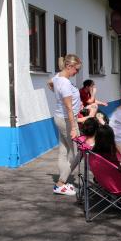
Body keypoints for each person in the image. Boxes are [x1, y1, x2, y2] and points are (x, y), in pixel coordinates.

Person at [51, 54, 82, 196]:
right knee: (79, 152)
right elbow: (69, 108)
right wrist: (74, 128)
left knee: (63, 151)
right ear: (69, 66)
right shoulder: (64, 82)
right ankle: (60, 184)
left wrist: (59, 96)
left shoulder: (57, 77)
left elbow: (49, 83)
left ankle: (61, 183)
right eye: (76, 69)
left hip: (59, 117)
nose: (77, 72)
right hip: (67, 120)